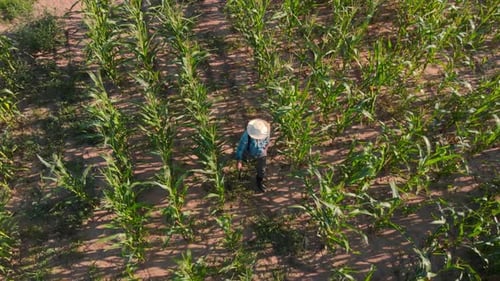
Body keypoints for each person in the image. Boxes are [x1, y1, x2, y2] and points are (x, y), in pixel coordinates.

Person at [235, 118, 271, 192]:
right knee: (243, 162)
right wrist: (239, 161)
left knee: (262, 169)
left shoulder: (265, 132)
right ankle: (240, 174)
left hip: (261, 152)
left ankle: (259, 182)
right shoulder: (246, 136)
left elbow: (267, 142)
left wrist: (265, 150)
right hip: (248, 151)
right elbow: (241, 148)